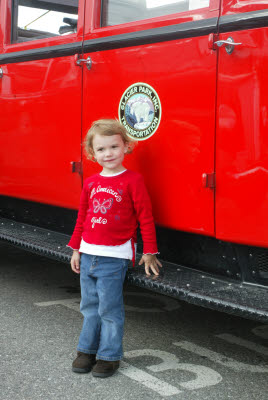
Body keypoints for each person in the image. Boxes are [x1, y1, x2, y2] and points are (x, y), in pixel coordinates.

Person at [68, 119, 162, 378]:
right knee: (89, 306)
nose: (108, 153)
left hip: (114, 257)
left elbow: (145, 216)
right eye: (101, 149)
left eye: (113, 146)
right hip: (88, 254)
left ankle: (109, 356)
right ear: (92, 153)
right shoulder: (91, 182)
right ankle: (86, 351)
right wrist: (76, 248)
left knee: (109, 309)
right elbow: (83, 217)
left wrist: (149, 251)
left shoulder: (133, 180)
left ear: (126, 147)